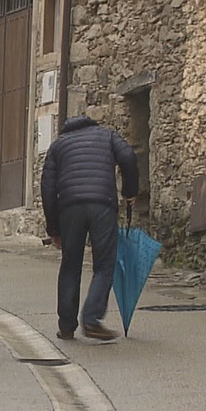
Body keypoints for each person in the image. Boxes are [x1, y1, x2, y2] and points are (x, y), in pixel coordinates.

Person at [41, 115, 139, 341]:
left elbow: (47, 187)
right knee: (104, 263)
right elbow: (128, 157)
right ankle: (92, 318)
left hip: (69, 208)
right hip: (102, 204)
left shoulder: (58, 145)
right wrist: (129, 191)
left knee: (70, 266)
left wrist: (53, 229)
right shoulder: (107, 135)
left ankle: (66, 326)